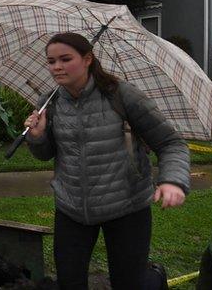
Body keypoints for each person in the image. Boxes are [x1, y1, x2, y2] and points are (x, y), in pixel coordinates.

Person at [25, 32, 189, 290]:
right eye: (51, 61)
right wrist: (37, 136)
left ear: (87, 59)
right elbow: (46, 154)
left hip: (126, 205)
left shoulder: (121, 95)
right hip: (71, 207)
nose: (56, 67)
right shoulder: (51, 102)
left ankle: (154, 280)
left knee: (128, 282)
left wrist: (173, 182)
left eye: (65, 59)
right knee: (69, 282)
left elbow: (171, 143)